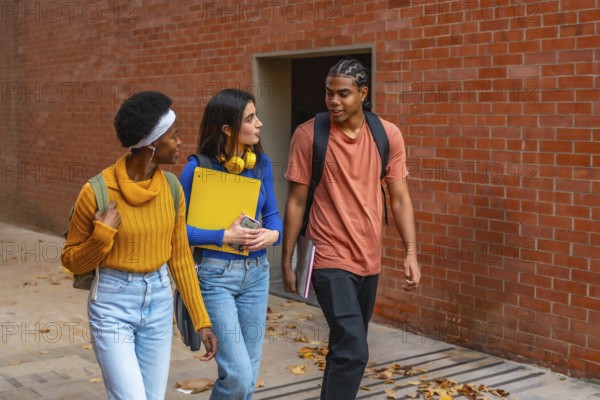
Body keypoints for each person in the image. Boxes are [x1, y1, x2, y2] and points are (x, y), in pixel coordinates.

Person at [61, 91, 217, 400]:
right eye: (174, 136)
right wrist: (102, 236)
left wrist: (201, 320)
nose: (180, 142)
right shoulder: (96, 192)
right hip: (112, 306)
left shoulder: (172, 188)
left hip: (158, 301)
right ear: (151, 144)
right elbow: (71, 260)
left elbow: (181, 258)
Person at [281, 59, 421, 399]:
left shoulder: (387, 135)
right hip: (328, 257)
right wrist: (287, 259)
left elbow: (400, 198)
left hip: (369, 258)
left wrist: (411, 253)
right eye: (329, 94)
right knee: (355, 349)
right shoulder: (308, 134)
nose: (334, 102)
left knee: (343, 345)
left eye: (343, 94)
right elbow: (297, 201)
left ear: (363, 93)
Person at [180, 88, 283, 400]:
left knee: (249, 375)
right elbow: (176, 232)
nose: (260, 124)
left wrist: (272, 235)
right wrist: (222, 236)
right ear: (228, 129)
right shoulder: (196, 168)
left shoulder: (261, 164)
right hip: (215, 276)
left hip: (257, 272)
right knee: (238, 375)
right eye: (251, 118)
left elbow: (274, 216)